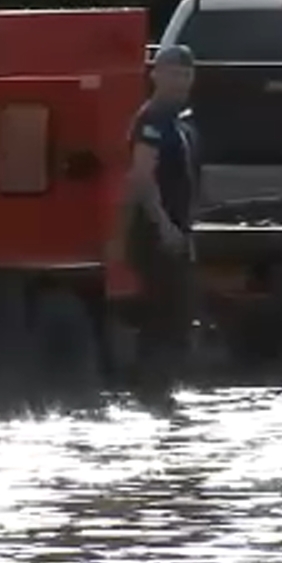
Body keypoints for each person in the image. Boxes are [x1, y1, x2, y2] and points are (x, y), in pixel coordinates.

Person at [118, 43, 201, 406]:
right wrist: (164, 224)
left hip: (176, 233)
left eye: (186, 73)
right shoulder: (152, 118)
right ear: (155, 74)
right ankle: (151, 394)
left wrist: (186, 229)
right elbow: (141, 177)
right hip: (155, 233)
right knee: (165, 319)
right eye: (173, 72)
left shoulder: (177, 120)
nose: (181, 80)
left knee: (177, 319)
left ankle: (161, 393)